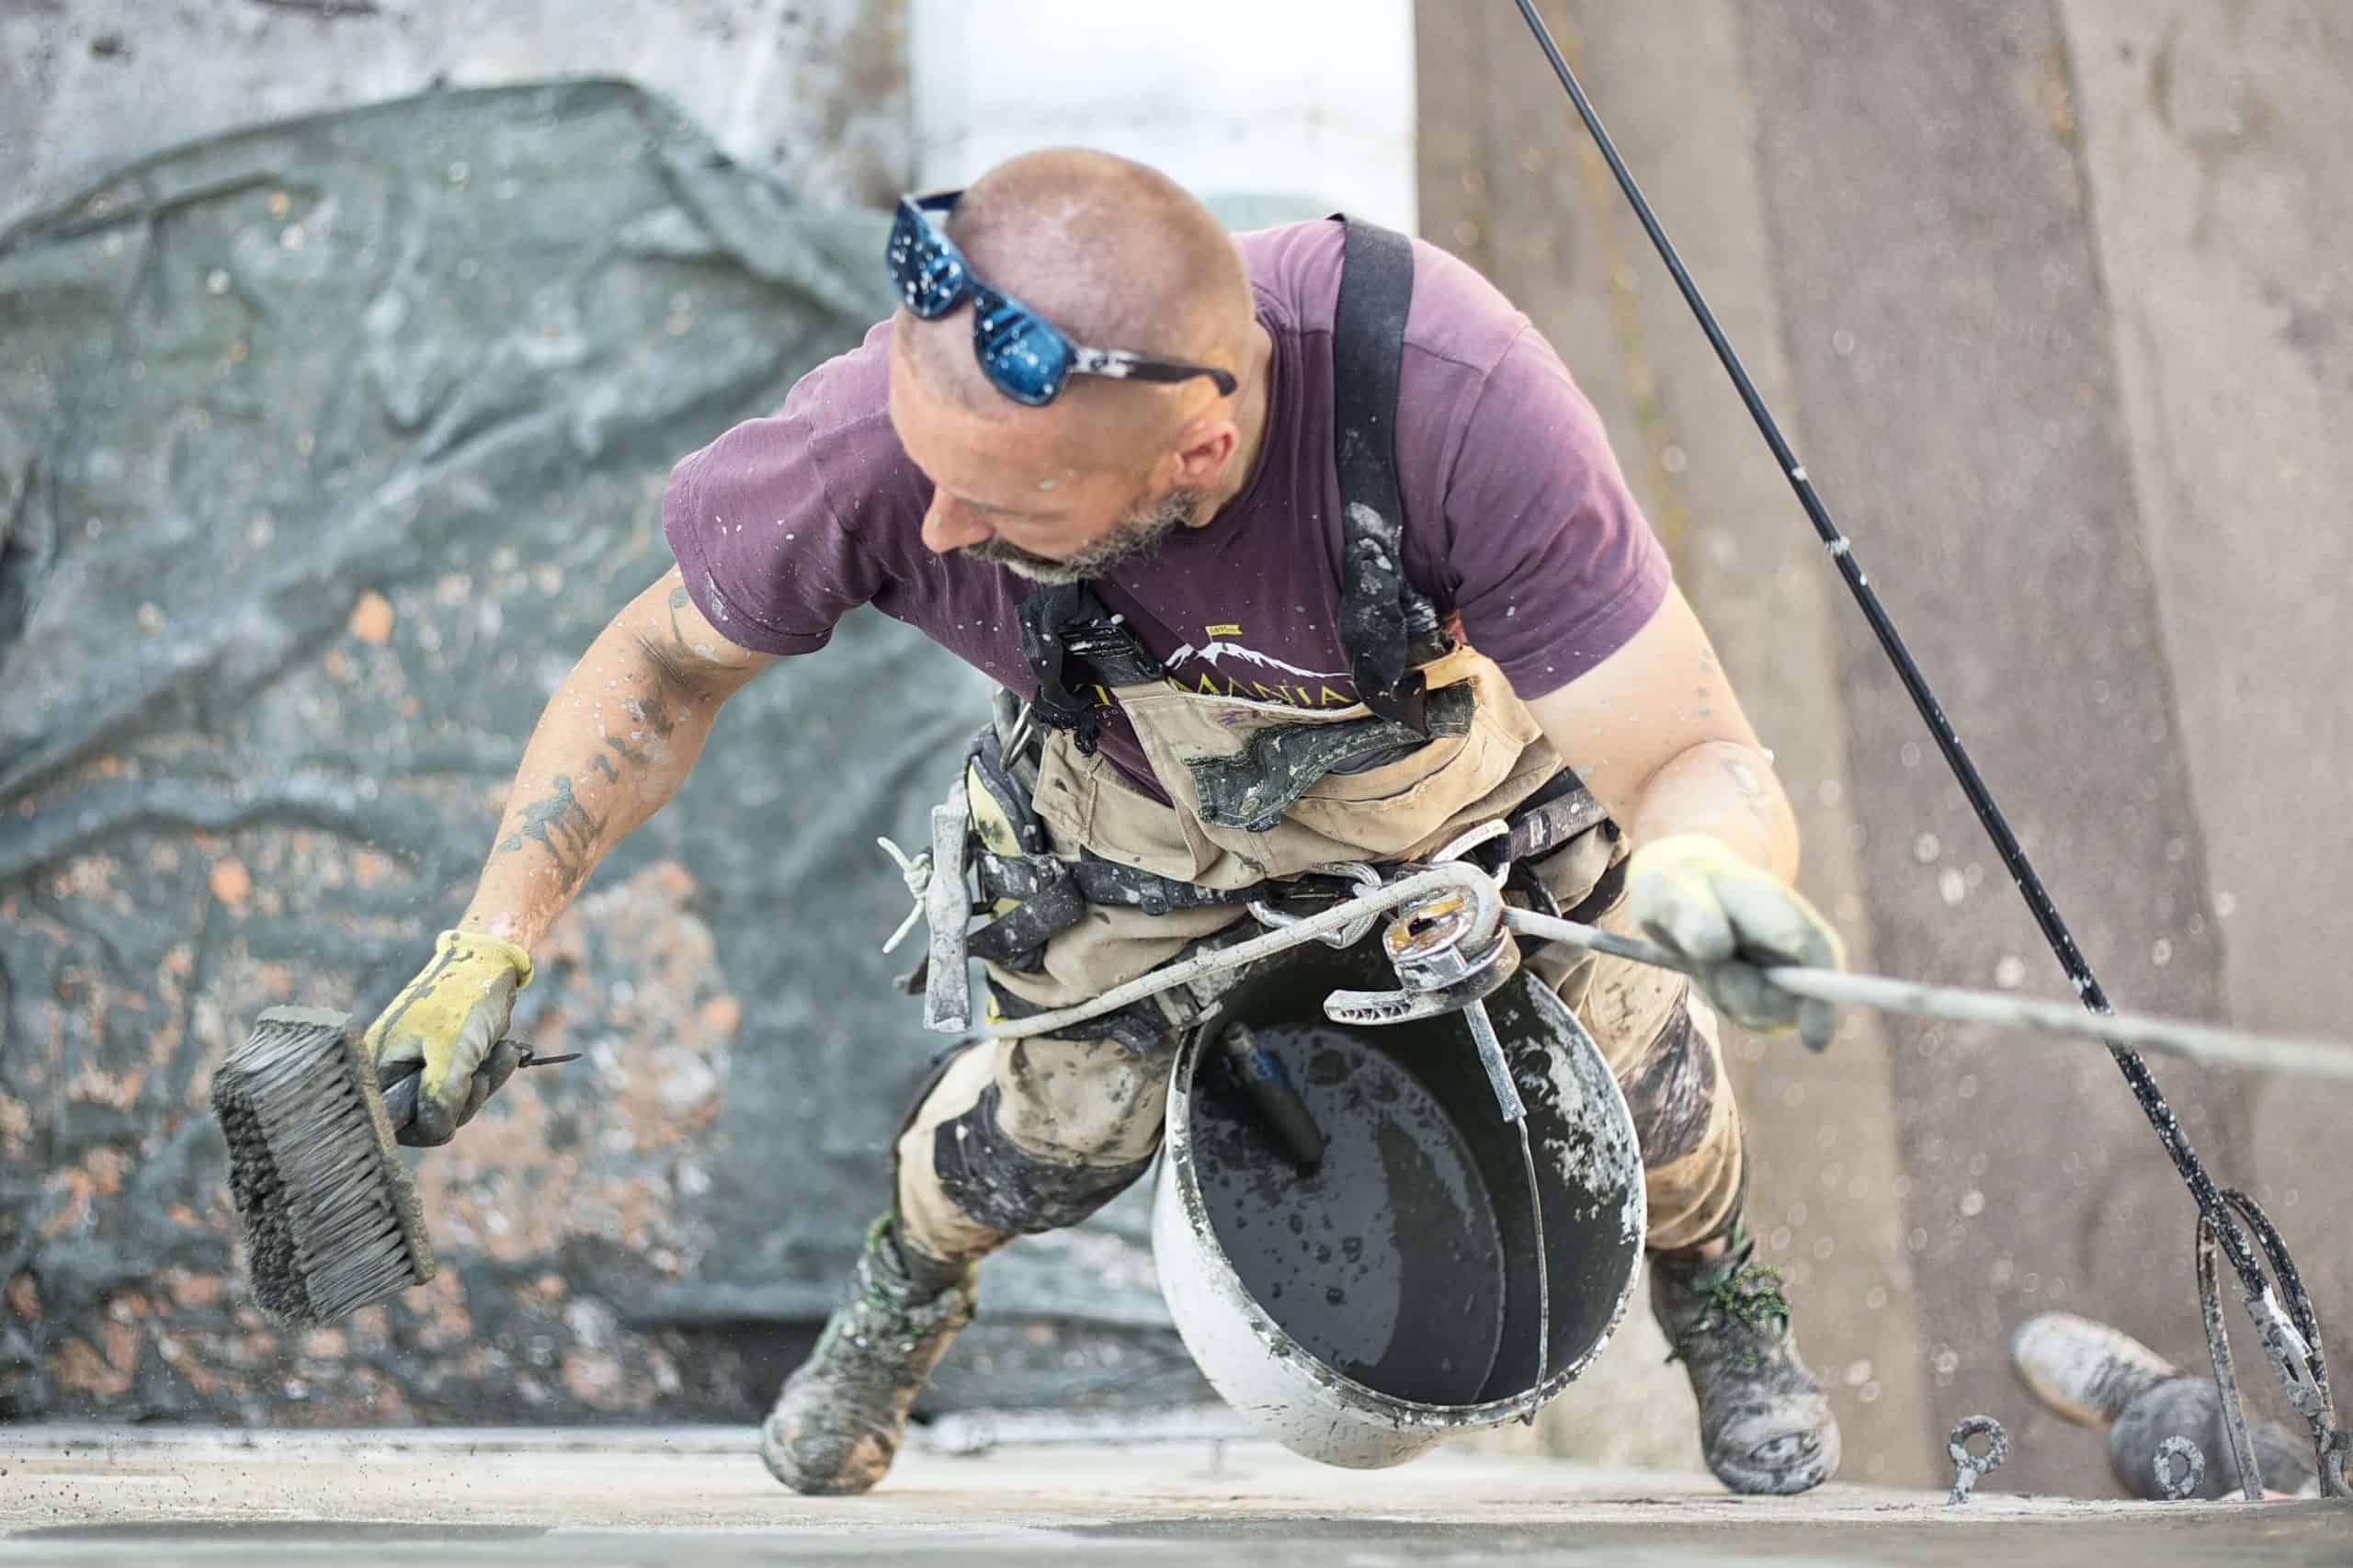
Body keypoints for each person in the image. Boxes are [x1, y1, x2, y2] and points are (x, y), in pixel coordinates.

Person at [360, 149, 1849, 1497]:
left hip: (1463, 806)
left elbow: (1696, 759)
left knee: (1645, 1080)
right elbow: (659, 660)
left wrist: (1708, 869)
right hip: (1141, 821)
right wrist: (494, 933)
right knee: (1039, 1142)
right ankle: (901, 1296)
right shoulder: (891, 454)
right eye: (927, 471)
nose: (937, 532)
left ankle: (1714, 1287)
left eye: (1000, 506)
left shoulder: (1443, 395)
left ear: (1196, 454)